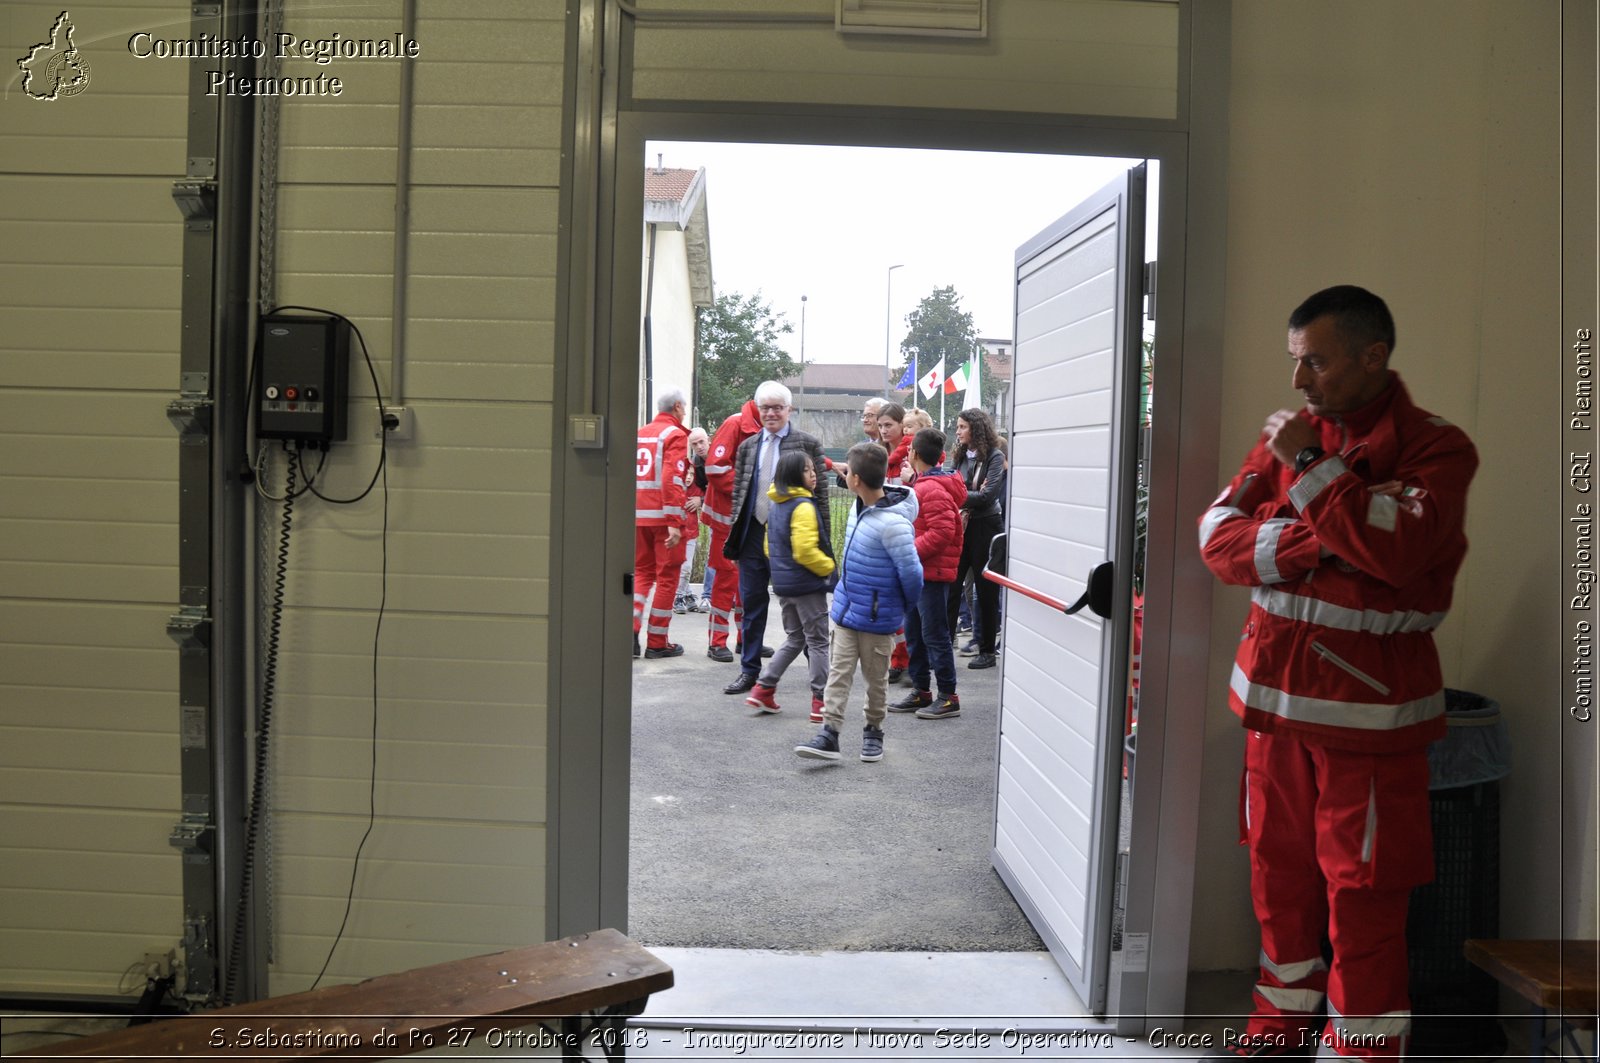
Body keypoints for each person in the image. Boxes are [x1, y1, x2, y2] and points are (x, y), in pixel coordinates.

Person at [1197, 285, 1478, 1061]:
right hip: (1271, 710)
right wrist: (1322, 538)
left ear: (1372, 356)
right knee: (1276, 877)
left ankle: (1359, 1051)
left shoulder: (1437, 448)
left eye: (1314, 362)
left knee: (1365, 899)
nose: (1299, 383)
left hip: (1369, 722)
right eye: (1296, 363)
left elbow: (1396, 555)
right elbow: (1218, 539)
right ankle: (1280, 1026)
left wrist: (1311, 475)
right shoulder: (1291, 435)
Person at [795, 442, 921, 762]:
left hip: (879, 619)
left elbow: (912, 575)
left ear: (856, 480)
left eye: (848, 471)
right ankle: (830, 732)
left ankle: (873, 730)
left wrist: (897, 610)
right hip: (847, 611)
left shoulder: (894, 524)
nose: (845, 474)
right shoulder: (858, 505)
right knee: (839, 674)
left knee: (876, 680)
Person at [722, 381, 830, 695]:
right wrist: (735, 529)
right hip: (753, 534)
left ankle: (820, 680)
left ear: (789, 410)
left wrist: (822, 540)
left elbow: (820, 493)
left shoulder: (807, 443)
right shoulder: (748, 446)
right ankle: (749, 671)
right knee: (752, 603)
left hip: (793, 539)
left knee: (806, 609)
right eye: (765, 407)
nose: (771, 413)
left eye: (777, 407)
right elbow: (740, 493)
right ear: (758, 409)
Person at [745, 452, 836, 724]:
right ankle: (821, 701)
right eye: (808, 470)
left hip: (784, 586)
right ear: (796, 475)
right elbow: (805, 551)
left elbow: (767, 547)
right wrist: (828, 568)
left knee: (796, 638)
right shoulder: (803, 506)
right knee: (818, 641)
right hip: (807, 586)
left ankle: (764, 688)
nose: (814, 475)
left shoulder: (776, 506)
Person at [890, 427, 966, 719]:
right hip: (920, 573)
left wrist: (910, 550)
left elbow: (944, 531)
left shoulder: (929, 489)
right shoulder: (924, 484)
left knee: (934, 635)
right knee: (915, 633)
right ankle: (922, 691)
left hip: (930, 574)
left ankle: (948, 696)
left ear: (914, 454)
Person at [702, 398, 763, 663]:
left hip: (749, 518)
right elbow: (715, 468)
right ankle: (716, 642)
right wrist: (747, 490)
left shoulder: (766, 428)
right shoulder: (735, 423)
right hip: (726, 517)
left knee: (748, 579)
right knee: (726, 578)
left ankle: (746, 639)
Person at [945, 408, 1006, 670]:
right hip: (962, 525)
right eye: (957, 427)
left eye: (962, 427)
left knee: (985, 590)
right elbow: (949, 487)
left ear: (976, 428)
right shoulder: (959, 455)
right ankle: (944, 644)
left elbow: (988, 496)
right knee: (952, 586)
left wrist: (961, 493)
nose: (957, 432)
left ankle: (987, 651)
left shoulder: (994, 455)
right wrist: (968, 493)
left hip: (985, 527)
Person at [633, 389, 690, 659]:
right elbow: (672, 478)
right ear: (677, 407)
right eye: (684, 407)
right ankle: (657, 642)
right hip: (663, 519)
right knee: (667, 579)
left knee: (642, 573)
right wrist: (674, 521)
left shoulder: (640, 433)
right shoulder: (675, 435)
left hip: (637, 516)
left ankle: (630, 633)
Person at [674, 427, 710, 613]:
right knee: (683, 566)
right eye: (694, 444)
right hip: (678, 532)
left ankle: (685, 593)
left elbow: (707, 492)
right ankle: (679, 596)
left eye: (701, 442)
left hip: (692, 532)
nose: (699, 446)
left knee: (686, 566)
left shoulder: (696, 484)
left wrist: (701, 500)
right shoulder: (678, 486)